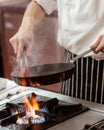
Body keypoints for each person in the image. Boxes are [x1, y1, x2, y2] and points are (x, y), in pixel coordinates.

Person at [9, 0, 104, 103]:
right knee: (71, 113)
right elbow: (40, 3)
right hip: (71, 63)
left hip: (101, 60)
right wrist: (25, 28)